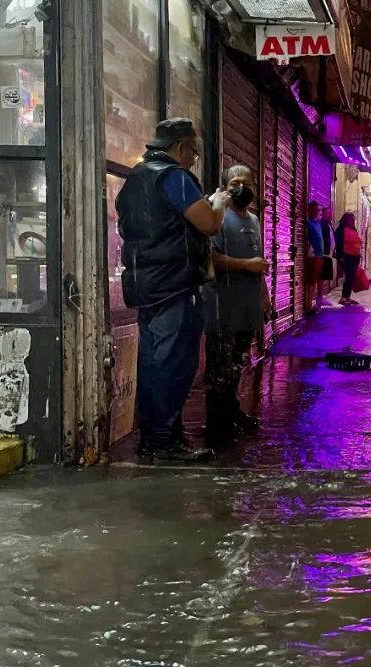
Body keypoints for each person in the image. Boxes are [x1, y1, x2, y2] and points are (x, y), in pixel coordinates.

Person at [117, 118, 230, 462]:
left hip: (146, 286)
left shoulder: (136, 177)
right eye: (193, 152)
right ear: (181, 148)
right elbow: (209, 223)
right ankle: (165, 441)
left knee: (153, 362)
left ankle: (154, 437)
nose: (194, 159)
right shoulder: (174, 177)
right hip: (175, 285)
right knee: (174, 365)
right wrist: (219, 202)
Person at [203, 164, 271, 447]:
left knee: (237, 366)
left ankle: (232, 413)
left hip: (247, 309)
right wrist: (246, 265)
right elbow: (211, 258)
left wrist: (265, 298)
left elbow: (259, 263)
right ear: (225, 187)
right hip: (224, 308)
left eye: (246, 182)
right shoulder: (217, 216)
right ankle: (217, 424)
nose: (241, 187)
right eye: (234, 183)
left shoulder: (253, 220)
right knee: (220, 370)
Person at [336, 212, 363, 306]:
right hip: (346, 257)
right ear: (345, 220)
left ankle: (347, 297)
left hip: (354, 258)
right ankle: (343, 297)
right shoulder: (341, 231)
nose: (353, 221)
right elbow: (338, 245)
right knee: (348, 276)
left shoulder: (353, 230)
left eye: (353, 219)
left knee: (351, 277)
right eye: (351, 219)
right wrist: (340, 256)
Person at [304, 201, 325, 312]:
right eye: (315, 210)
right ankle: (308, 305)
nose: (317, 212)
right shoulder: (307, 222)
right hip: (312, 256)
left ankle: (311, 303)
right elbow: (306, 238)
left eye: (318, 210)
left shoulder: (317, 223)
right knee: (310, 281)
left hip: (319, 256)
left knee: (314, 280)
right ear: (310, 210)